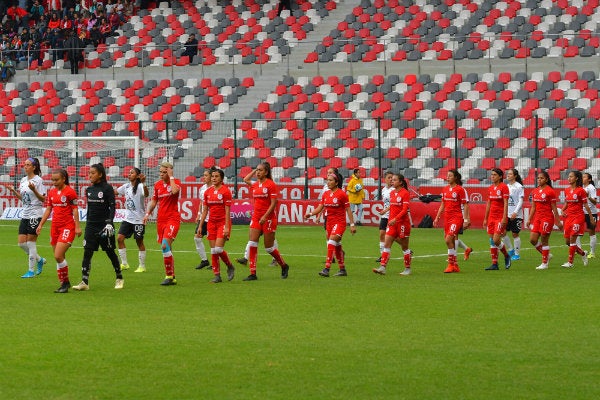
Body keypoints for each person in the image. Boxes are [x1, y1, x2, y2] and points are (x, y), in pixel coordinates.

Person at [72, 163, 124, 291]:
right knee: (87, 252)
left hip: (104, 226)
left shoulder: (107, 189)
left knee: (110, 251)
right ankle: (84, 282)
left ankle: (119, 277)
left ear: (100, 174)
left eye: (92, 173)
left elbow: (112, 207)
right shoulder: (89, 190)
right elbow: (90, 209)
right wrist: (87, 224)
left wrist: (109, 222)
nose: (90, 175)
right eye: (89, 173)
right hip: (91, 226)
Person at [240, 162, 290, 281]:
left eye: (260, 170)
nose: (257, 172)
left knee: (269, 248)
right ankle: (253, 273)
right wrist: (254, 169)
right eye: (257, 170)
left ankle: (284, 265)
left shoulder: (270, 185)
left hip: (268, 219)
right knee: (252, 243)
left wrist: (265, 216)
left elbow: (274, 203)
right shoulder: (255, 184)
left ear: (266, 172)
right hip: (256, 218)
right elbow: (245, 179)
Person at [36, 169, 82, 293]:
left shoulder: (70, 192)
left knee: (57, 255)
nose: (54, 182)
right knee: (59, 256)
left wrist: (77, 226)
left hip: (67, 227)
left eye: (57, 180)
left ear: (63, 179)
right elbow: (48, 209)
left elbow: (75, 210)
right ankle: (63, 284)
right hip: (54, 228)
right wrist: (40, 224)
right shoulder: (51, 192)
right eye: (53, 180)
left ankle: (65, 283)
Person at [305, 172, 356, 277]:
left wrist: (352, 224)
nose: (328, 182)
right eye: (327, 180)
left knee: (331, 242)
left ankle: (326, 268)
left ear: (336, 182)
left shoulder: (342, 194)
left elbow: (348, 210)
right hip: (329, 223)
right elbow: (320, 208)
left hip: (339, 223)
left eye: (330, 180)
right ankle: (342, 269)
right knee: (337, 245)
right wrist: (310, 214)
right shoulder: (325, 194)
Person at [7, 157, 47, 278]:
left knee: (30, 243)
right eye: (24, 164)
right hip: (25, 213)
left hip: (35, 213)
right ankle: (39, 260)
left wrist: (34, 190)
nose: (25, 166)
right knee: (21, 244)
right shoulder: (23, 180)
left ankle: (31, 271)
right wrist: (14, 191)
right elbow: (23, 200)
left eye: (28, 165)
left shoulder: (38, 180)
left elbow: (43, 199)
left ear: (34, 167)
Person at [143, 162, 181, 286]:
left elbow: (175, 192)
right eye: (160, 172)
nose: (161, 174)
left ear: (170, 172)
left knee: (165, 246)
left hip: (172, 218)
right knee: (168, 248)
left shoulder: (175, 182)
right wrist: (147, 214)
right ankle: (173, 276)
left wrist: (171, 177)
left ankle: (169, 276)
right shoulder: (157, 185)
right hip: (161, 220)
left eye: (164, 172)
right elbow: (154, 201)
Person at [197, 168, 235, 283]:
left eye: (216, 176)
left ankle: (229, 265)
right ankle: (217, 275)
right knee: (213, 250)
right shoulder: (207, 192)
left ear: (222, 178)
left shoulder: (225, 191)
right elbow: (205, 210)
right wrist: (200, 225)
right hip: (211, 223)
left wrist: (227, 227)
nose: (213, 178)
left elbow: (228, 210)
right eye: (212, 176)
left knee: (218, 249)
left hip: (222, 222)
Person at [373, 173, 412, 275]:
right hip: (392, 223)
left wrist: (396, 218)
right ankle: (382, 267)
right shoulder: (392, 193)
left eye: (394, 180)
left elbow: (404, 209)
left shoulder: (405, 193)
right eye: (391, 180)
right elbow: (392, 205)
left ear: (400, 182)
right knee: (387, 244)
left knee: (404, 247)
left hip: (403, 223)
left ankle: (407, 269)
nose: (392, 181)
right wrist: (384, 211)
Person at [434, 169, 470, 273]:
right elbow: (443, 204)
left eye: (450, 176)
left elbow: (466, 205)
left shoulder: (460, 189)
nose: (447, 177)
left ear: (455, 178)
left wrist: (466, 219)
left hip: (456, 218)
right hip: (447, 218)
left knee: (448, 240)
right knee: (451, 241)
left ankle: (450, 264)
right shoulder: (445, 189)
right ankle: (455, 265)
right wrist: (437, 217)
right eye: (447, 175)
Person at [525, 170, 562, 270]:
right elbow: (533, 207)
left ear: (546, 179)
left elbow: (554, 207)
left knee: (544, 240)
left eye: (541, 178)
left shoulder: (550, 191)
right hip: (537, 218)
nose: (539, 180)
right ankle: (547, 255)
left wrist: (557, 221)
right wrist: (529, 219)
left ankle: (545, 263)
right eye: (538, 178)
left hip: (547, 218)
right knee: (532, 240)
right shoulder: (535, 191)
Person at [115, 167, 149, 273]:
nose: (129, 174)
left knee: (139, 241)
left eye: (132, 173)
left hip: (138, 220)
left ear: (138, 176)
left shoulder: (140, 186)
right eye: (129, 173)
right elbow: (115, 192)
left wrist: (144, 183)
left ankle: (142, 266)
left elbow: (147, 194)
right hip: (128, 219)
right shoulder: (126, 186)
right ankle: (124, 264)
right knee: (120, 238)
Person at [561, 171, 594, 268]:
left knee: (572, 239)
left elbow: (586, 205)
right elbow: (567, 202)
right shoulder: (566, 190)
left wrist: (591, 217)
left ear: (576, 178)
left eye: (571, 176)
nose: (569, 178)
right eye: (568, 176)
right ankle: (583, 253)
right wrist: (563, 210)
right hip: (569, 217)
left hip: (578, 217)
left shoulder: (581, 191)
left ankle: (570, 263)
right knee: (567, 241)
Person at [482, 168, 511, 270]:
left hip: (500, 217)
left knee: (496, 239)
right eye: (491, 175)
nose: (492, 176)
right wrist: (485, 218)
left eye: (494, 175)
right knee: (492, 240)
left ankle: (506, 255)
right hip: (491, 217)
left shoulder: (504, 187)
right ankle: (495, 264)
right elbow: (489, 204)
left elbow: (506, 203)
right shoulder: (490, 188)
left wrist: (504, 218)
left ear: (500, 176)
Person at [502, 168, 525, 261]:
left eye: (510, 174)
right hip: (507, 214)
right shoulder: (506, 186)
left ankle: (517, 254)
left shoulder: (519, 187)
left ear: (515, 176)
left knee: (515, 234)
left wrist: (515, 212)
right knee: (502, 232)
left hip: (516, 214)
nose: (508, 175)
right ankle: (510, 249)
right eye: (508, 174)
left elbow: (521, 200)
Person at [194, 168, 212, 270]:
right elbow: (201, 202)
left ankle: (214, 263)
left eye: (206, 175)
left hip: (213, 218)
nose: (203, 177)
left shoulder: (215, 188)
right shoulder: (202, 188)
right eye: (203, 175)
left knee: (212, 241)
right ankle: (204, 260)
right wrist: (199, 214)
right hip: (204, 218)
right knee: (197, 238)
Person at [375, 171, 393, 263]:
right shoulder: (383, 190)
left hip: (393, 216)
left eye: (392, 178)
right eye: (389, 178)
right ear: (385, 179)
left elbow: (394, 204)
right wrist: (385, 211)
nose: (391, 179)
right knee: (382, 234)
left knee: (395, 237)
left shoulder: (394, 190)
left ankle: (406, 250)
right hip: (385, 216)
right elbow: (386, 203)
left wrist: (385, 210)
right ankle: (383, 255)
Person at [579, 172, 598, 258]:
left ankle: (592, 253)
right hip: (582, 212)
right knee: (576, 230)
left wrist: (588, 196)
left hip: (591, 213)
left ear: (589, 179)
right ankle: (578, 249)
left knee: (591, 232)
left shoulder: (591, 188)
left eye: (584, 177)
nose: (582, 178)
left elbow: (595, 202)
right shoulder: (582, 187)